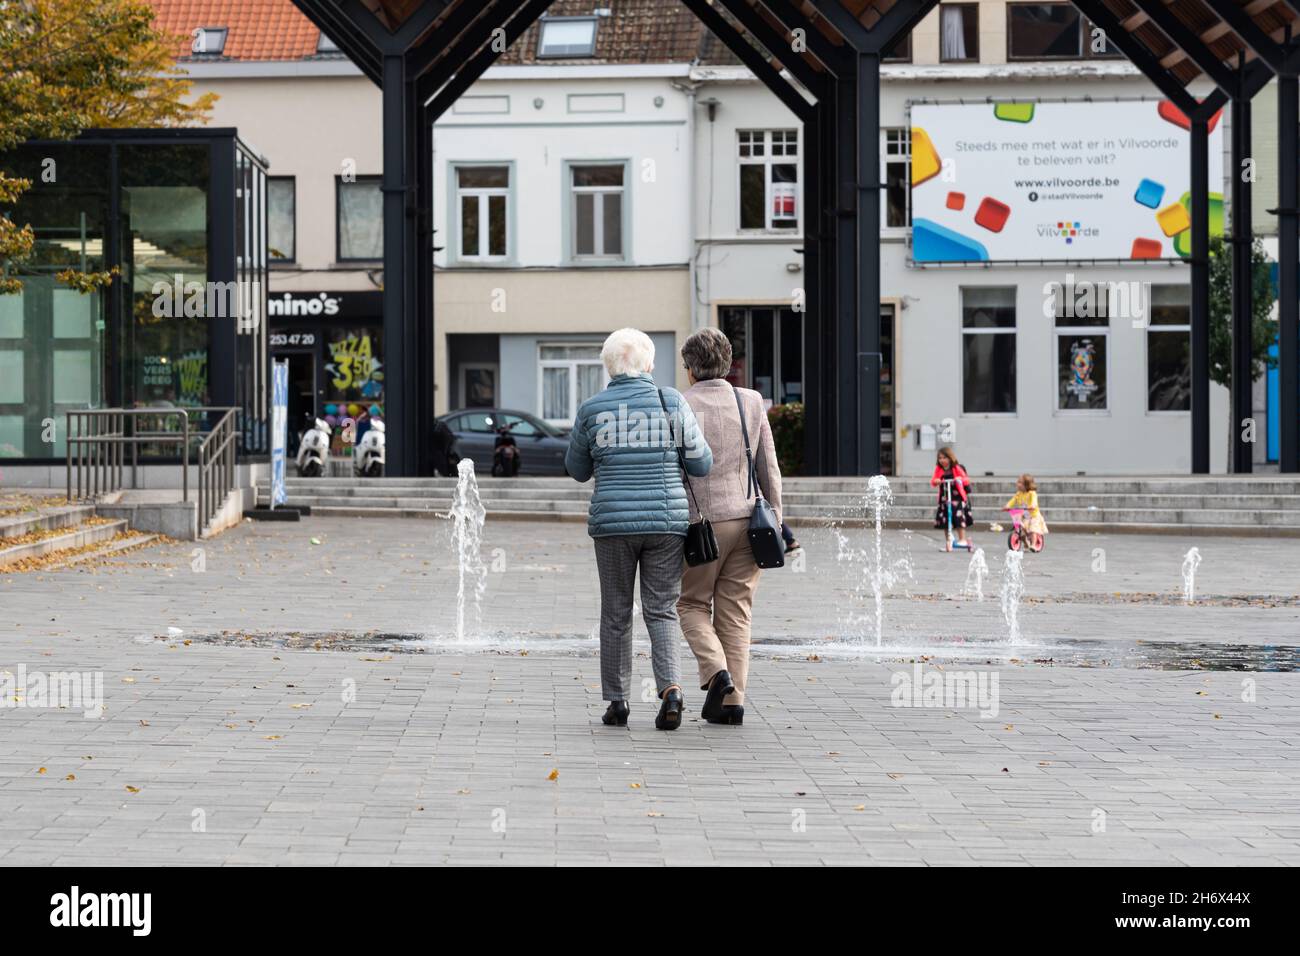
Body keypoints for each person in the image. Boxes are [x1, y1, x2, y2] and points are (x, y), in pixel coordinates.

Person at [565, 328, 712, 731]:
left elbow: (576, 470)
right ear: (649, 365)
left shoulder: (591, 409)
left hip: (612, 524)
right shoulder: (671, 401)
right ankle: (671, 691)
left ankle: (618, 702)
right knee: (662, 609)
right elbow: (701, 464)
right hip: (667, 523)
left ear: (608, 366)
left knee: (615, 612)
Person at [675, 328, 782, 726]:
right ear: (727, 362)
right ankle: (732, 702)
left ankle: (716, 671)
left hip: (698, 523)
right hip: (750, 521)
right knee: (736, 612)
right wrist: (776, 521)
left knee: (691, 603)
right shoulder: (751, 401)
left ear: (690, 368)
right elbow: (768, 468)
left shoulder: (679, 405)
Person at [931, 446, 973, 550]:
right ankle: (949, 540)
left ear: (950, 458)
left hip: (956, 496)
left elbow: (966, 480)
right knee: (945, 519)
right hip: (945, 497)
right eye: (940, 458)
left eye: (945, 458)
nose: (942, 460)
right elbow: (933, 481)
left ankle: (962, 539)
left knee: (958, 517)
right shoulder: (939, 469)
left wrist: (959, 479)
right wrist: (936, 481)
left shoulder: (956, 467)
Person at [1004, 473, 1048, 550]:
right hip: (1025, 516)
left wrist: (1033, 505)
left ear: (1026, 485)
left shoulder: (1032, 493)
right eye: (1018, 482)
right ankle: (1026, 543)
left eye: (1020, 482)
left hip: (1034, 516)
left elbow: (1034, 501)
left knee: (1033, 529)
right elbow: (1013, 500)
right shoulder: (1019, 494)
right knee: (1021, 530)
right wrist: (1008, 506)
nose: (1017, 484)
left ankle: (1034, 545)